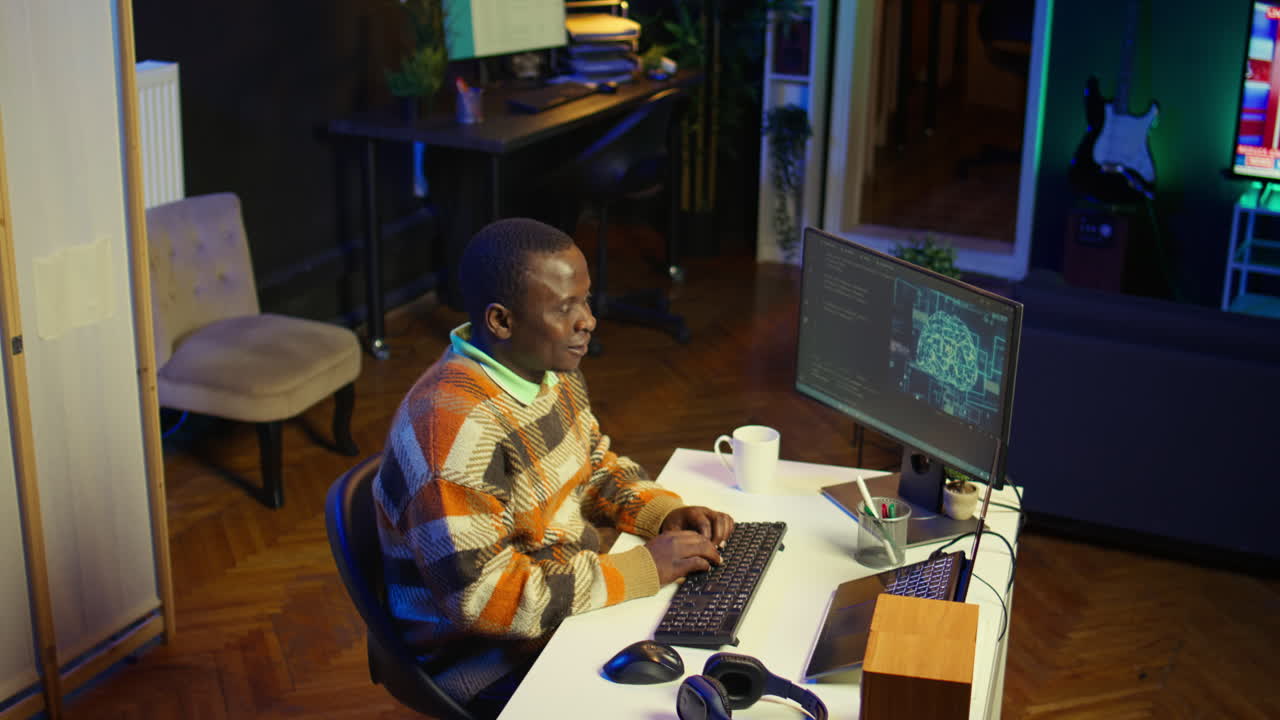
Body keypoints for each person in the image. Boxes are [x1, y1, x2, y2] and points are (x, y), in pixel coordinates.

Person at [373, 217, 734, 718]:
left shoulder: (546, 371)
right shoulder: (451, 432)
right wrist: (642, 568)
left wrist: (662, 515)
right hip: (486, 660)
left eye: (585, 300)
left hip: (556, 608)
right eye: (565, 308)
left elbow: (594, 468)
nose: (588, 320)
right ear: (501, 321)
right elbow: (482, 601)